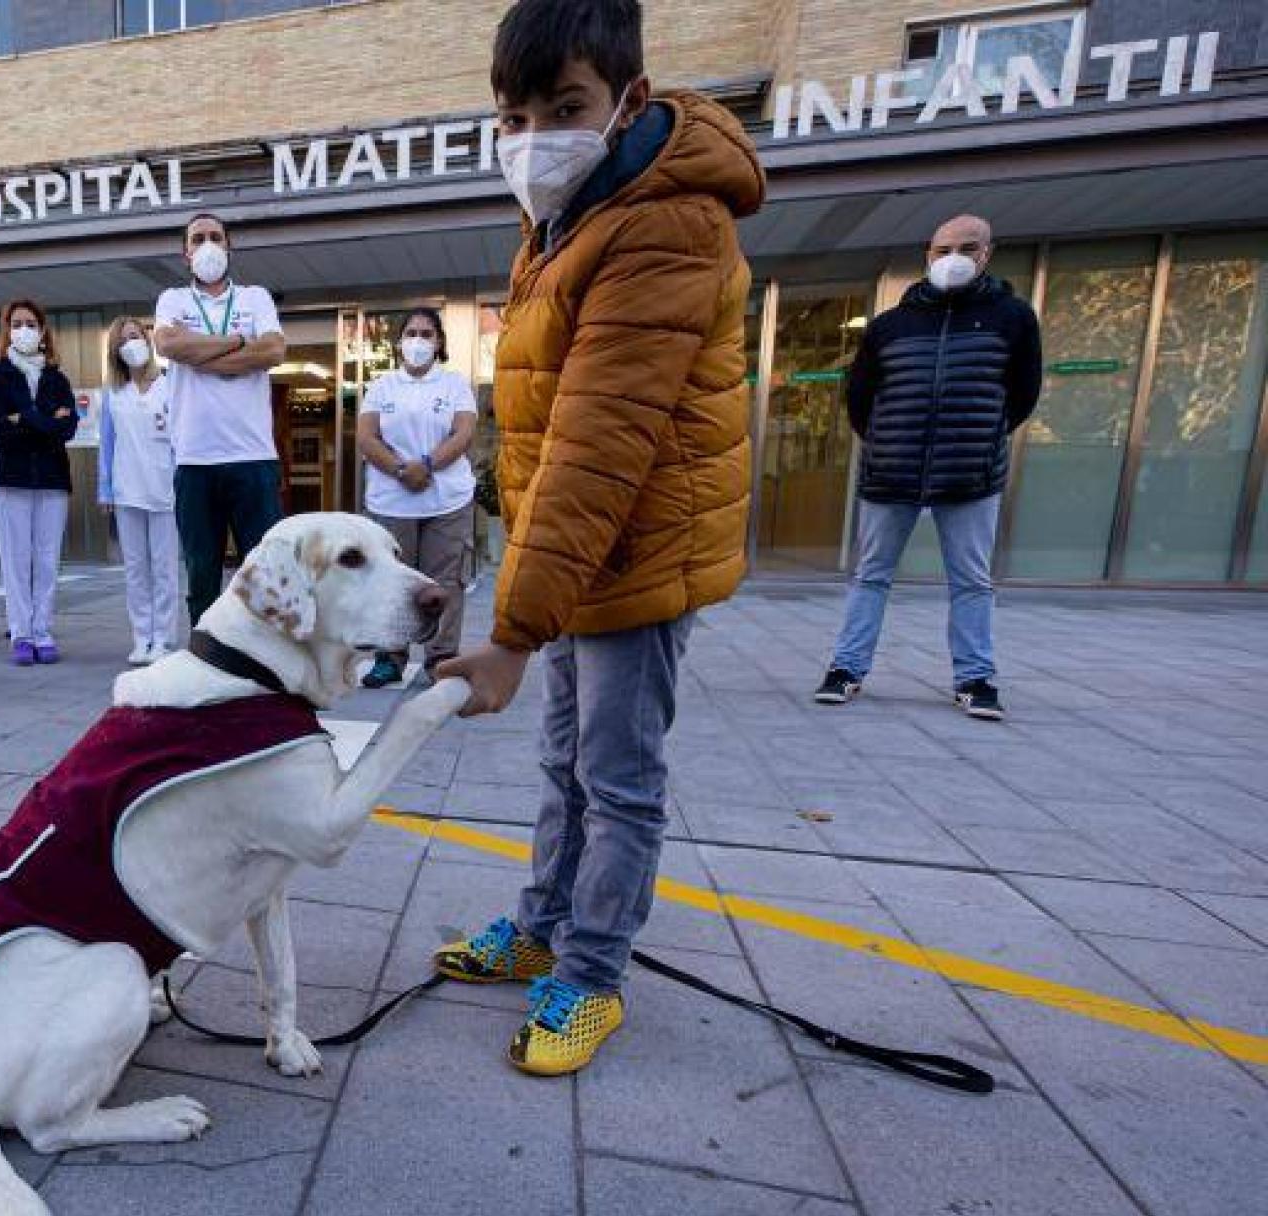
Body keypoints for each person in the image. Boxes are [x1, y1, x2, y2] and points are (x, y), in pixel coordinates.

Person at [431, 0, 763, 1077]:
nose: (532, 138)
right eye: (512, 115)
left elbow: (597, 445)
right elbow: (542, 414)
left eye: (562, 108)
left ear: (626, 97)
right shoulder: (574, 209)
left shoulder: (666, 221)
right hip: (575, 556)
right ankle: (541, 925)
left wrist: (514, 632)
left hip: (636, 552)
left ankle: (593, 973)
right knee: (566, 767)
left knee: (617, 778)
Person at [814, 214, 1042, 722]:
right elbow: (860, 399)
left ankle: (975, 678)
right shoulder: (891, 326)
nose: (953, 257)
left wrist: (979, 441)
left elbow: (1022, 396)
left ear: (987, 254)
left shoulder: (1012, 318)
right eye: (943, 249)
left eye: (966, 247)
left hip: (969, 475)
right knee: (871, 575)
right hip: (891, 472)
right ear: (928, 254)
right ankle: (845, 669)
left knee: (971, 580)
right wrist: (884, 444)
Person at [152, 213, 288, 625]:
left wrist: (202, 355)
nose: (208, 245)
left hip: (253, 456)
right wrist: (237, 342)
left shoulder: (255, 298)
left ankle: (265, 659)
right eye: (199, 238)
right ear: (186, 252)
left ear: (229, 247)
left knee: (264, 570)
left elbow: (273, 352)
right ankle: (206, 657)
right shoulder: (172, 299)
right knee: (202, 571)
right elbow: (168, 344)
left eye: (216, 237)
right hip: (195, 460)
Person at [356, 307, 479, 688]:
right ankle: (389, 658)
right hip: (391, 502)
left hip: (447, 501)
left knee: (446, 582)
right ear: (399, 342)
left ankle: (441, 659)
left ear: (439, 342)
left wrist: (426, 466)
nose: (418, 341)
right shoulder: (381, 386)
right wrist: (399, 470)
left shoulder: (455, 385)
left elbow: (462, 434)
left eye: (427, 334)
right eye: (411, 333)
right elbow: (366, 437)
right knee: (392, 580)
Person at [0, 300, 77, 666]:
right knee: (15, 561)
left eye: (31, 323)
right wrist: (44, 421)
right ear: (7, 330)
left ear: (43, 330)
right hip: (10, 480)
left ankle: (43, 631)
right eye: (17, 323)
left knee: (47, 560)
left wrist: (26, 418)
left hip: (52, 480)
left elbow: (66, 428)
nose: (24, 329)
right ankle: (21, 634)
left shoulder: (57, 377)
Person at [97, 317, 181, 665]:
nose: (130, 344)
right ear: (116, 352)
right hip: (127, 489)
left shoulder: (170, 385)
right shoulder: (113, 394)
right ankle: (141, 636)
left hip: (165, 490)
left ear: (147, 341)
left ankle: (164, 637)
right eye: (122, 341)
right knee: (135, 568)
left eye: (135, 336)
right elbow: (107, 445)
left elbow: (181, 440)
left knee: (164, 568)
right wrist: (105, 489)